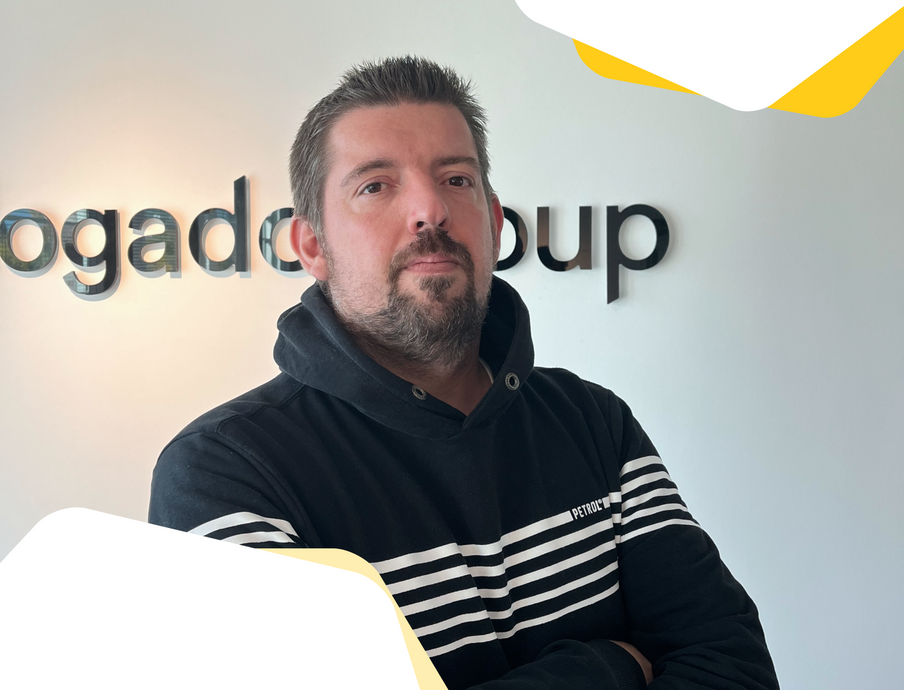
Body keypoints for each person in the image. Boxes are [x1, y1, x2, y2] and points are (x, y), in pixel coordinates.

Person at [149, 56, 779, 690]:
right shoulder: (227, 473)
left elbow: (734, 665)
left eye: (456, 179)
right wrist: (609, 668)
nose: (430, 209)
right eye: (376, 186)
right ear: (313, 246)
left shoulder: (593, 422)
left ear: (495, 224)